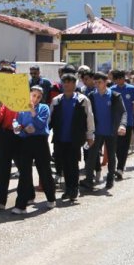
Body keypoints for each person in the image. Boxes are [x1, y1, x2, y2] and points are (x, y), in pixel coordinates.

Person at [49, 74, 94, 202]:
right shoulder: (57, 100)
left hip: (75, 139)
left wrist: (90, 136)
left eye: (69, 82)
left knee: (73, 165)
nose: (67, 85)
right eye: (65, 82)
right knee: (63, 164)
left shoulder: (82, 100)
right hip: (59, 138)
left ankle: (74, 189)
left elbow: (89, 119)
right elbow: (49, 119)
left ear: (75, 84)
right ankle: (68, 189)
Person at [10, 87, 55, 214]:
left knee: (44, 170)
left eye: (38, 96)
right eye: (33, 95)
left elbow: (41, 124)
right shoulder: (21, 108)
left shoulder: (44, 108)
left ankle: (51, 198)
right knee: (24, 173)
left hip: (40, 142)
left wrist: (32, 111)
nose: (35, 98)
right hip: (26, 141)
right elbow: (16, 125)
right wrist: (20, 129)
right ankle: (21, 205)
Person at [82, 72, 125, 191]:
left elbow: (123, 112)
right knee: (92, 156)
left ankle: (110, 179)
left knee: (111, 156)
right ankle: (89, 181)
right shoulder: (91, 96)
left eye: (99, 82)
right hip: (96, 132)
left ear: (106, 82)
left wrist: (122, 125)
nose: (96, 84)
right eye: (95, 82)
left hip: (111, 132)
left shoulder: (115, 96)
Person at [110, 70, 134, 180]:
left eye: (121, 78)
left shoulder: (131, 89)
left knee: (124, 146)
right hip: (115, 123)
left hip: (129, 122)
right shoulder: (111, 90)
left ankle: (120, 168)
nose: (119, 81)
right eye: (116, 79)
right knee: (117, 146)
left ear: (124, 78)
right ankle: (118, 166)